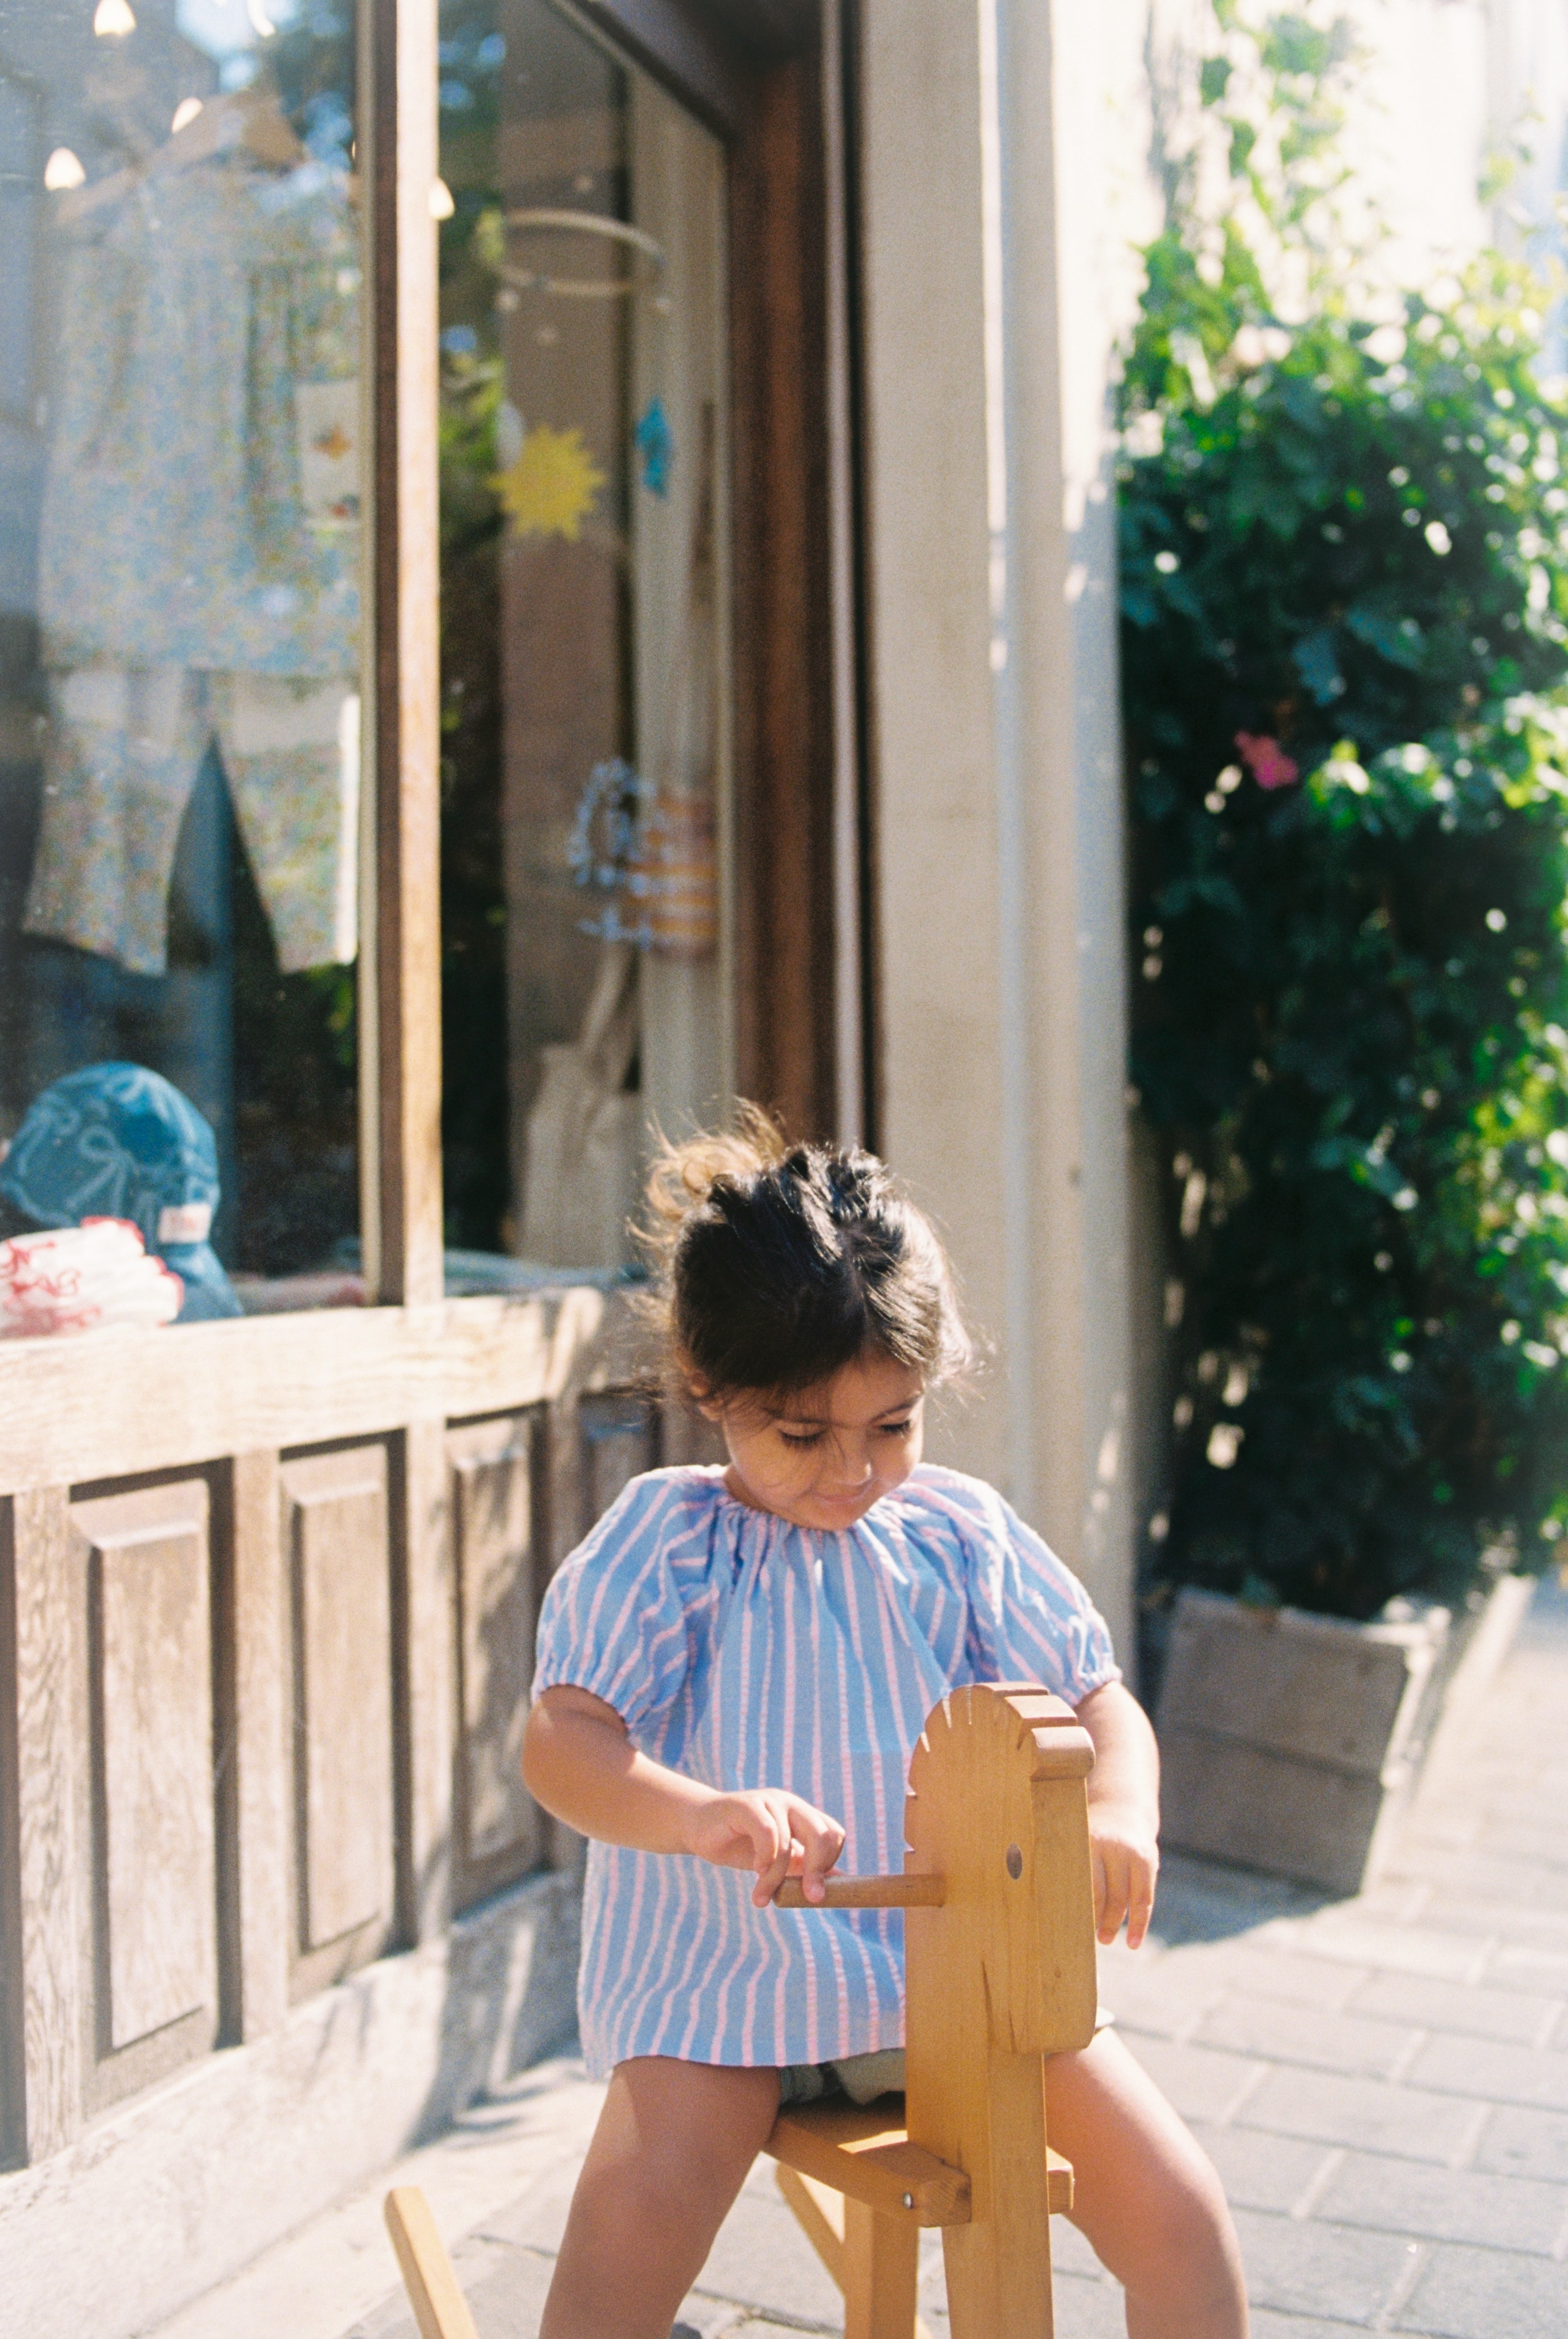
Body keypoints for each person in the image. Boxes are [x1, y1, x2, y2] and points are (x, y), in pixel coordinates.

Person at [523, 1112, 1249, 2339]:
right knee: (635, 2213)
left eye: (892, 1426)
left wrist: (1122, 1806)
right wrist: (703, 1813)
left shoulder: (954, 1534)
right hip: (723, 1986)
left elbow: (1095, 1695)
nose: (850, 1470)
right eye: (800, 1434)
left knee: (1180, 2213)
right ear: (711, 1389)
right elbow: (561, 1739)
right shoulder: (672, 1539)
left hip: (952, 1983)